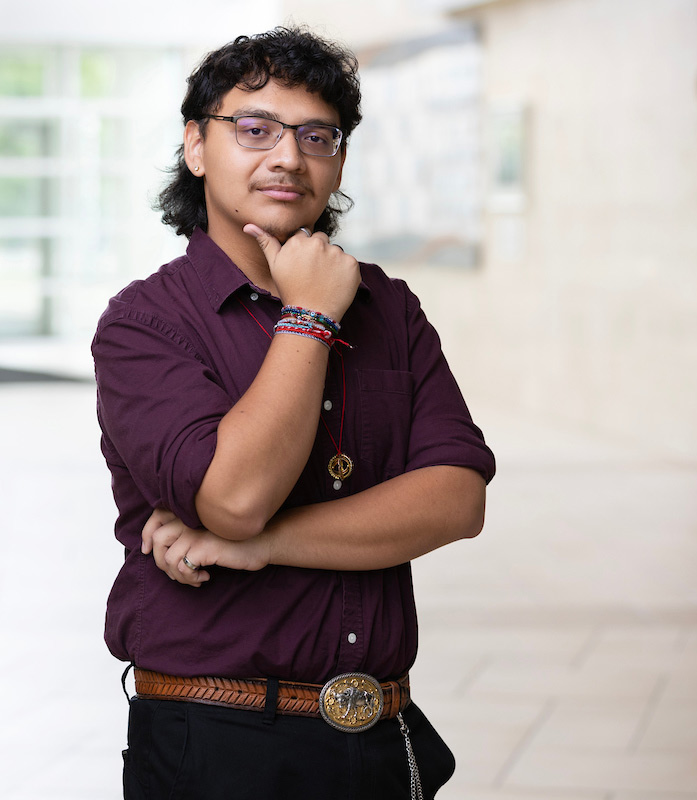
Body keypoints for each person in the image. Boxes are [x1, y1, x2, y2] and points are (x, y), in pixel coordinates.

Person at [91, 27, 496, 799]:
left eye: (318, 136)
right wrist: (309, 315)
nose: (288, 157)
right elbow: (234, 498)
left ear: (338, 160)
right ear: (196, 146)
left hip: (379, 734)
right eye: (255, 129)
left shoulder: (390, 306)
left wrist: (264, 546)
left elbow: (456, 499)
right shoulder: (145, 323)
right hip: (217, 740)